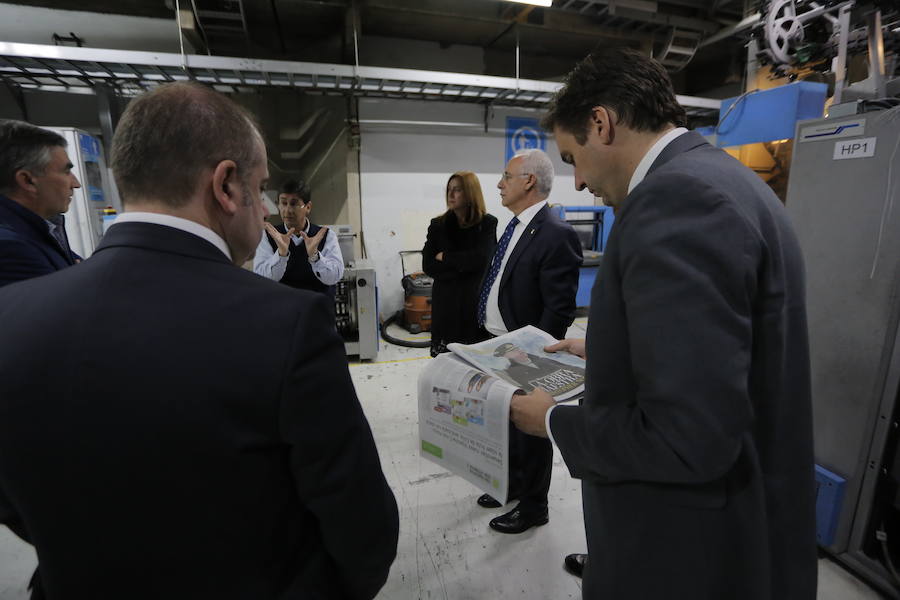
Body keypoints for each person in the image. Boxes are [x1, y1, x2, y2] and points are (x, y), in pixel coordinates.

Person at [0, 82, 399, 600]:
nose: (264, 209)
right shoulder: (286, 326)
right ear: (226, 185)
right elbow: (361, 527)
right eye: (260, 190)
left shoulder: (12, 314)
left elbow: (12, 499)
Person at [510, 48, 816, 599]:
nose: (577, 182)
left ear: (601, 123)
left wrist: (553, 422)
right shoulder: (729, 179)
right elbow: (725, 357)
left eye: (573, 156)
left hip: (686, 552)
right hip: (748, 523)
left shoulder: (676, 200)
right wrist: (607, 350)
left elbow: (688, 439)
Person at [474, 148, 582, 534]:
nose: (500, 184)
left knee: (532, 429)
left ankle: (535, 505)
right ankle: (515, 484)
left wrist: (535, 356)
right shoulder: (514, 226)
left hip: (527, 354)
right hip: (498, 345)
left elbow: (558, 309)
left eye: (506, 176)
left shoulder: (556, 233)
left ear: (529, 181)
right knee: (508, 422)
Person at [422, 171, 497, 356]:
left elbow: (481, 261)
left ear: (470, 193)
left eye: (457, 190)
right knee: (446, 360)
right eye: (449, 189)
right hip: (445, 302)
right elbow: (428, 265)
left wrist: (446, 258)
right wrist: (463, 267)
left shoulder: (487, 224)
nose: (451, 194)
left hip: (474, 302)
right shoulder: (438, 225)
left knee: (475, 360)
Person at [0, 120, 82, 287]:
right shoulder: (12, 248)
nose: (76, 184)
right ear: (28, 181)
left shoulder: (40, 231)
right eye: (66, 171)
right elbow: (69, 306)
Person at [254, 178, 344, 298]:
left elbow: (334, 277)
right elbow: (261, 278)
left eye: (294, 203)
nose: (288, 210)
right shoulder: (269, 236)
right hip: (282, 311)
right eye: (283, 203)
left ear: (308, 207)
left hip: (317, 311)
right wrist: (281, 255)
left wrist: (315, 256)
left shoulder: (325, 236)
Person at [493, 342, 583, 394]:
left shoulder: (542, 359)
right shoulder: (513, 372)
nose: (519, 351)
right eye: (512, 351)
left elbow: (569, 368)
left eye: (517, 348)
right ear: (506, 356)